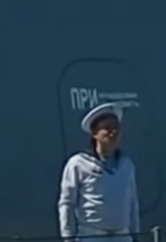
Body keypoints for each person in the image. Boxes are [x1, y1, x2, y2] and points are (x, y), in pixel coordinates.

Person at [58, 102, 140, 242]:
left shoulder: (127, 165)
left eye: (116, 127)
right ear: (94, 133)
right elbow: (67, 203)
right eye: (107, 128)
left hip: (122, 236)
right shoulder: (78, 164)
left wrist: (136, 235)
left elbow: (132, 203)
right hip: (92, 236)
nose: (113, 132)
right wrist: (68, 237)